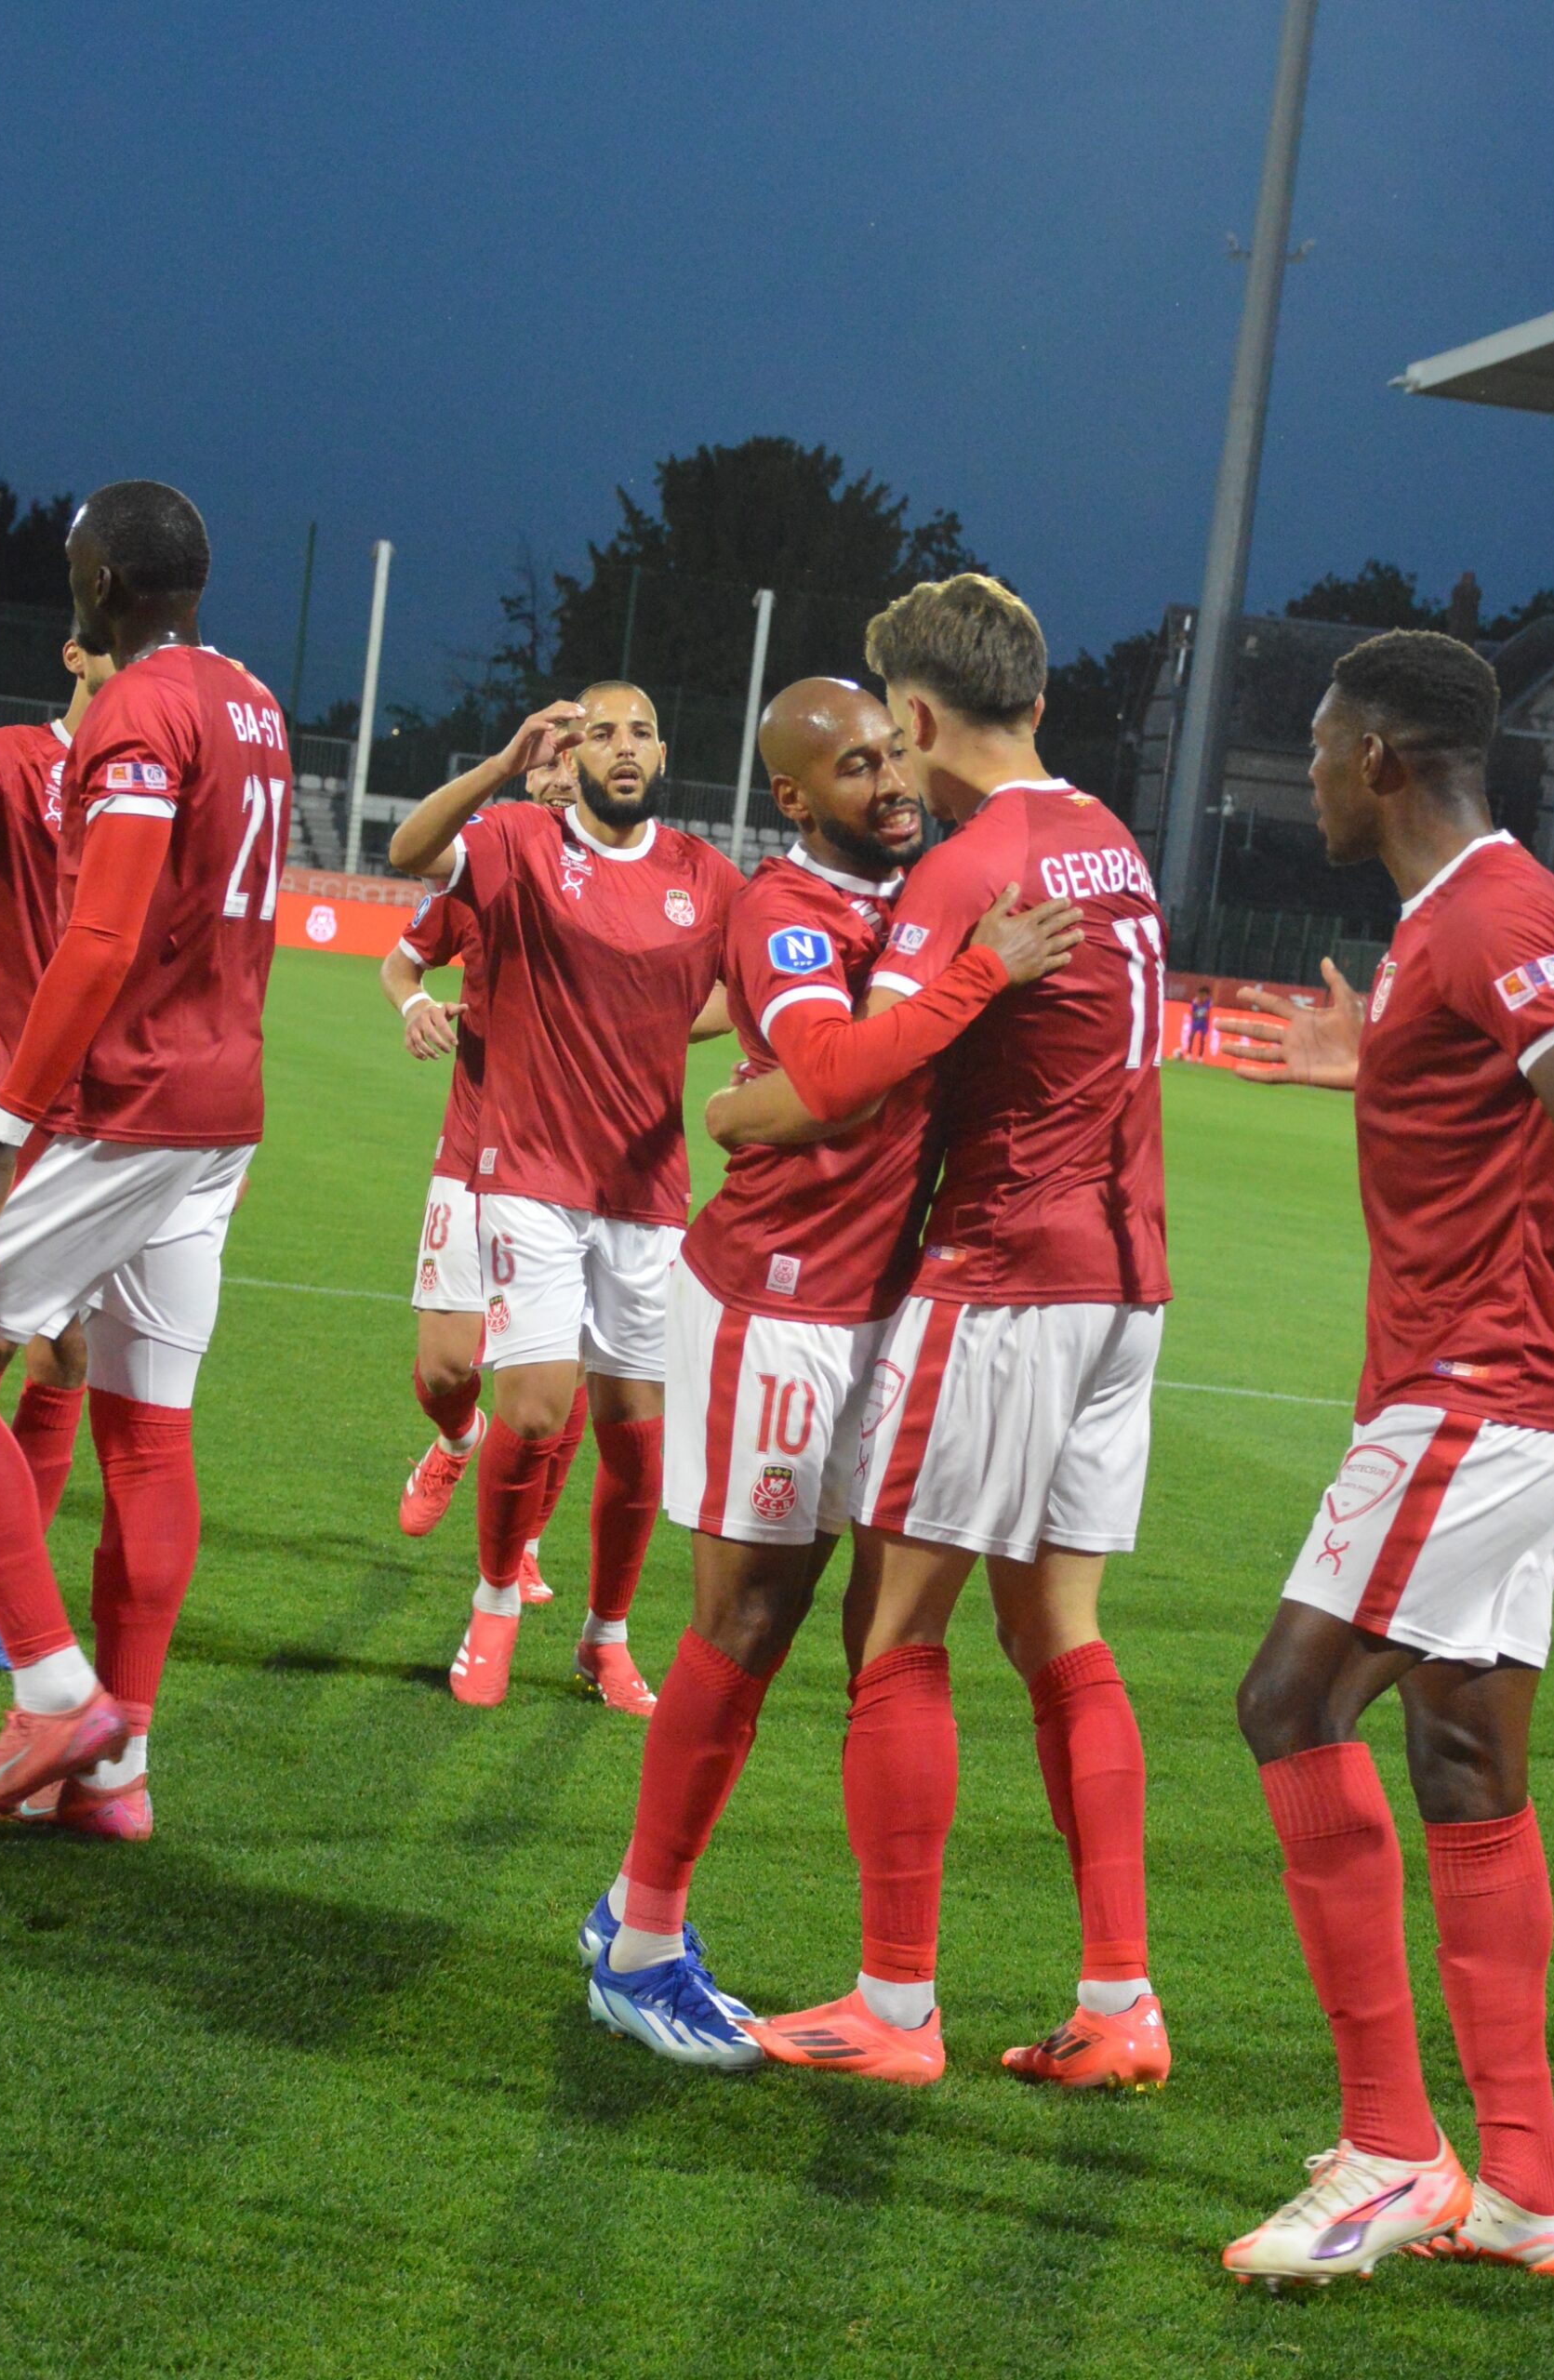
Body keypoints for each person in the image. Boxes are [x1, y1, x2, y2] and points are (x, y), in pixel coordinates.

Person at [1220, 630, 1554, 2286]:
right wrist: (1365, 1060)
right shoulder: (1457, 914)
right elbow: (1493, 1116)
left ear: (1379, 759)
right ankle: (1524, 2189)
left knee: (1289, 1703)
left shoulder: (1490, 911)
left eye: (1319, 743)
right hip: (1485, 1387)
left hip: (1485, 1390)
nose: (1307, 770)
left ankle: (1390, 2153)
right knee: (1460, 1758)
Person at [582, 676, 1081, 2068]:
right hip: (778, 1302)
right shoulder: (785, 909)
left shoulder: (928, 888)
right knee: (744, 1618)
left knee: (868, 1634)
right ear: (793, 798)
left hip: (892, 1307)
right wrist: (981, 974)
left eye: (891, 754)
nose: (892, 781)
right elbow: (830, 1073)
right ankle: (638, 1949)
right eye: (853, 768)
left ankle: (731, 1941)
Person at [722, 576, 1174, 2090]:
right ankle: (1119, 2001)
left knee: (896, 1633)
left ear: (914, 715)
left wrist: (739, 1108)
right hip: (1127, 1284)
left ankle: (893, 2006)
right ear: (1033, 700)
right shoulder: (1110, 839)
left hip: (1002, 1280)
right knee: (1059, 1633)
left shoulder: (970, 867)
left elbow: (843, 1079)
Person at [0, 480, 292, 1838]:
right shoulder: (251, 702)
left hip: (125, 1105)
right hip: (220, 1109)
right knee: (148, 1429)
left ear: (101, 583)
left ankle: (51, 1689)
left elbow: (99, 938)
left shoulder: (139, 710)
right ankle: (115, 1774)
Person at [388, 682, 737, 1712]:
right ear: (571, 757)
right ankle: (495, 1601)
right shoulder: (518, 840)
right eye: (602, 733)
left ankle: (605, 1637)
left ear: (662, 755)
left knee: (636, 1434)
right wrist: (501, 766)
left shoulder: (705, 876)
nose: (622, 747)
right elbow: (411, 851)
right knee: (532, 1407)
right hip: (527, 1170)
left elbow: (752, 982)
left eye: (640, 732)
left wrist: (670, 1026)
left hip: (646, 1187)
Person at [381, 735, 588, 1597]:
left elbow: (713, 992)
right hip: (474, 1149)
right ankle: (456, 1440)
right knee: (445, 1369)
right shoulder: (485, 863)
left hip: (579, 1163)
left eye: (575, 759)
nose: (560, 774)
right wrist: (415, 1004)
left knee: (556, 1374)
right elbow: (401, 962)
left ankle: (527, 1538)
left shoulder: (639, 882)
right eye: (548, 760)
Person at [0, 631, 115, 1670]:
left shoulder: (153, 778)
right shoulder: (9, 755)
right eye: (119, 652)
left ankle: (2, 1604)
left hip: (99, 1111)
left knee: (58, 1349)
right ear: (75, 655)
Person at [1185, 983, 1214, 1060]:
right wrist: (1199, 1014)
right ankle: (1189, 1054)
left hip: (1204, 1022)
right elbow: (1192, 1014)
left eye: (1205, 995)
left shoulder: (1209, 1002)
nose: (1203, 997)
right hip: (1196, 1021)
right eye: (1201, 994)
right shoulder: (1195, 1002)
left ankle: (1200, 1056)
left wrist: (1202, 1015)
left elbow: (1207, 1014)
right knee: (1191, 1036)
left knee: (1202, 1039)